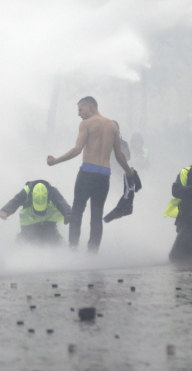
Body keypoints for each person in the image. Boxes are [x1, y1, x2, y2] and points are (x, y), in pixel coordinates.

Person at [47, 96, 133, 253]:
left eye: (81, 109)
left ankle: (73, 249)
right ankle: (92, 254)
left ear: (90, 106)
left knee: (77, 211)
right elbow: (119, 154)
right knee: (96, 215)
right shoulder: (113, 126)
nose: (79, 114)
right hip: (104, 175)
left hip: (87, 173)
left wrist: (56, 161)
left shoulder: (86, 124)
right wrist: (128, 171)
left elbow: (77, 150)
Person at [0, 180, 71, 245]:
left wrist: (68, 214)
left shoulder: (52, 191)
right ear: (32, 196)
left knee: (57, 242)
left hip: (48, 225)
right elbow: (16, 200)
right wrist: (5, 210)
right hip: (28, 226)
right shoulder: (26, 191)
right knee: (21, 244)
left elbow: (62, 203)